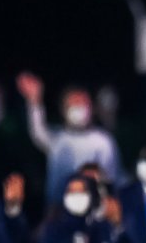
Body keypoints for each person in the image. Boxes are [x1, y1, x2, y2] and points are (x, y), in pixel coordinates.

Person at [18, 72, 121, 202]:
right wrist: (34, 100)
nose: (79, 107)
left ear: (92, 107)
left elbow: (111, 178)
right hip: (58, 208)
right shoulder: (57, 139)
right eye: (74, 103)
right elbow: (38, 131)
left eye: (83, 103)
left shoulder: (103, 141)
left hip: (93, 208)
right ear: (63, 109)